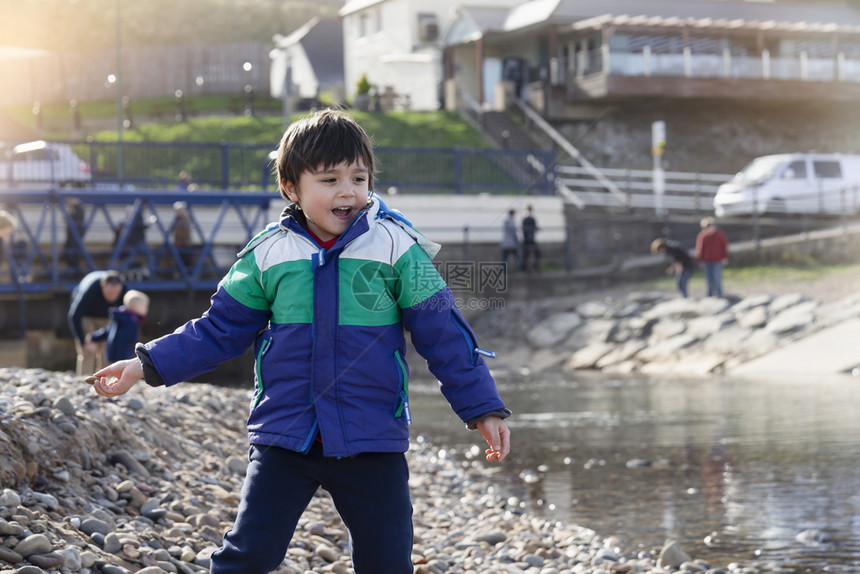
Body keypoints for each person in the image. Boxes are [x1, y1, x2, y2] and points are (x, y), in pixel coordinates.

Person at [89, 109, 511, 574]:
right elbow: (217, 330)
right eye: (329, 179)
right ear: (292, 188)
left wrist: (482, 408)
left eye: (358, 177)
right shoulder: (268, 254)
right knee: (249, 554)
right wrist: (144, 365)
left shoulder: (395, 248)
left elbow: (444, 333)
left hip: (372, 438)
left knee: (388, 560)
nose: (348, 191)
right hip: (285, 436)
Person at [68, 270, 127, 375]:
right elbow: (74, 315)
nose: (113, 297)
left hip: (107, 317)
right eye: (109, 293)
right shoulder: (90, 289)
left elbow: (126, 319)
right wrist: (82, 340)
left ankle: (104, 382)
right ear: (102, 286)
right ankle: (84, 381)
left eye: (116, 293)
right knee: (87, 350)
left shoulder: (124, 291)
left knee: (107, 350)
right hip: (86, 316)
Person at [87, 289, 149, 363]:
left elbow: (107, 330)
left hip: (114, 353)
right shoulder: (130, 321)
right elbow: (125, 339)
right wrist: (131, 353)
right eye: (145, 306)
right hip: (123, 354)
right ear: (135, 307)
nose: (147, 309)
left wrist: (94, 337)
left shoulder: (121, 317)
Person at [696, 217, 729, 298]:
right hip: (707, 261)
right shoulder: (702, 236)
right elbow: (700, 249)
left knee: (717, 278)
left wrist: (725, 257)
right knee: (709, 279)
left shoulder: (719, 235)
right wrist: (700, 260)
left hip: (717, 260)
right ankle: (710, 296)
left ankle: (719, 295)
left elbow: (724, 246)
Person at [63, 197, 86, 273]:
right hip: (72, 236)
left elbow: (77, 218)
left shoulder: (79, 209)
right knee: (71, 252)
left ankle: (75, 271)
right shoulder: (76, 210)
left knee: (73, 252)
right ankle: (73, 270)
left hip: (75, 236)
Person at [520, 204, 540, 273]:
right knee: (537, 253)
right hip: (530, 239)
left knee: (526, 254)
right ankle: (534, 267)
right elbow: (534, 228)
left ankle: (524, 268)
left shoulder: (524, 218)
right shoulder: (531, 218)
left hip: (526, 239)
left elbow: (523, 228)